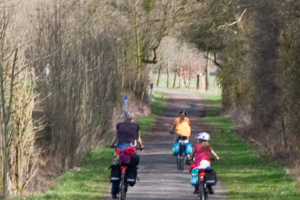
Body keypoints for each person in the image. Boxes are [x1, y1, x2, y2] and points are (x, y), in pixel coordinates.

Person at [109, 110, 144, 199]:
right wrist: (141, 146)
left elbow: (116, 137)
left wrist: (112, 144)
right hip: (131, 148)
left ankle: (114, 192)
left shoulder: (119, 125)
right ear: (132, 118)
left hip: (119, 148)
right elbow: (138, 138)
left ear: (124, 117)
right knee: (131, 165)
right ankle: (129, 178)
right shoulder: (136, 126)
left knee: (116, 166)